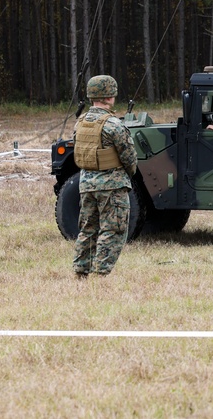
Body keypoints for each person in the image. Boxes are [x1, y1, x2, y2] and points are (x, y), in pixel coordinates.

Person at [72, 75, 138, 279]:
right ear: (110, 96)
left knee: (87, 229)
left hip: (86, 184)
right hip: (112, 187)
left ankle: (81, 271)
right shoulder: (113, 125)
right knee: (113, 230)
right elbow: (129, 158)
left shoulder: (80, 123)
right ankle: (100, 275)